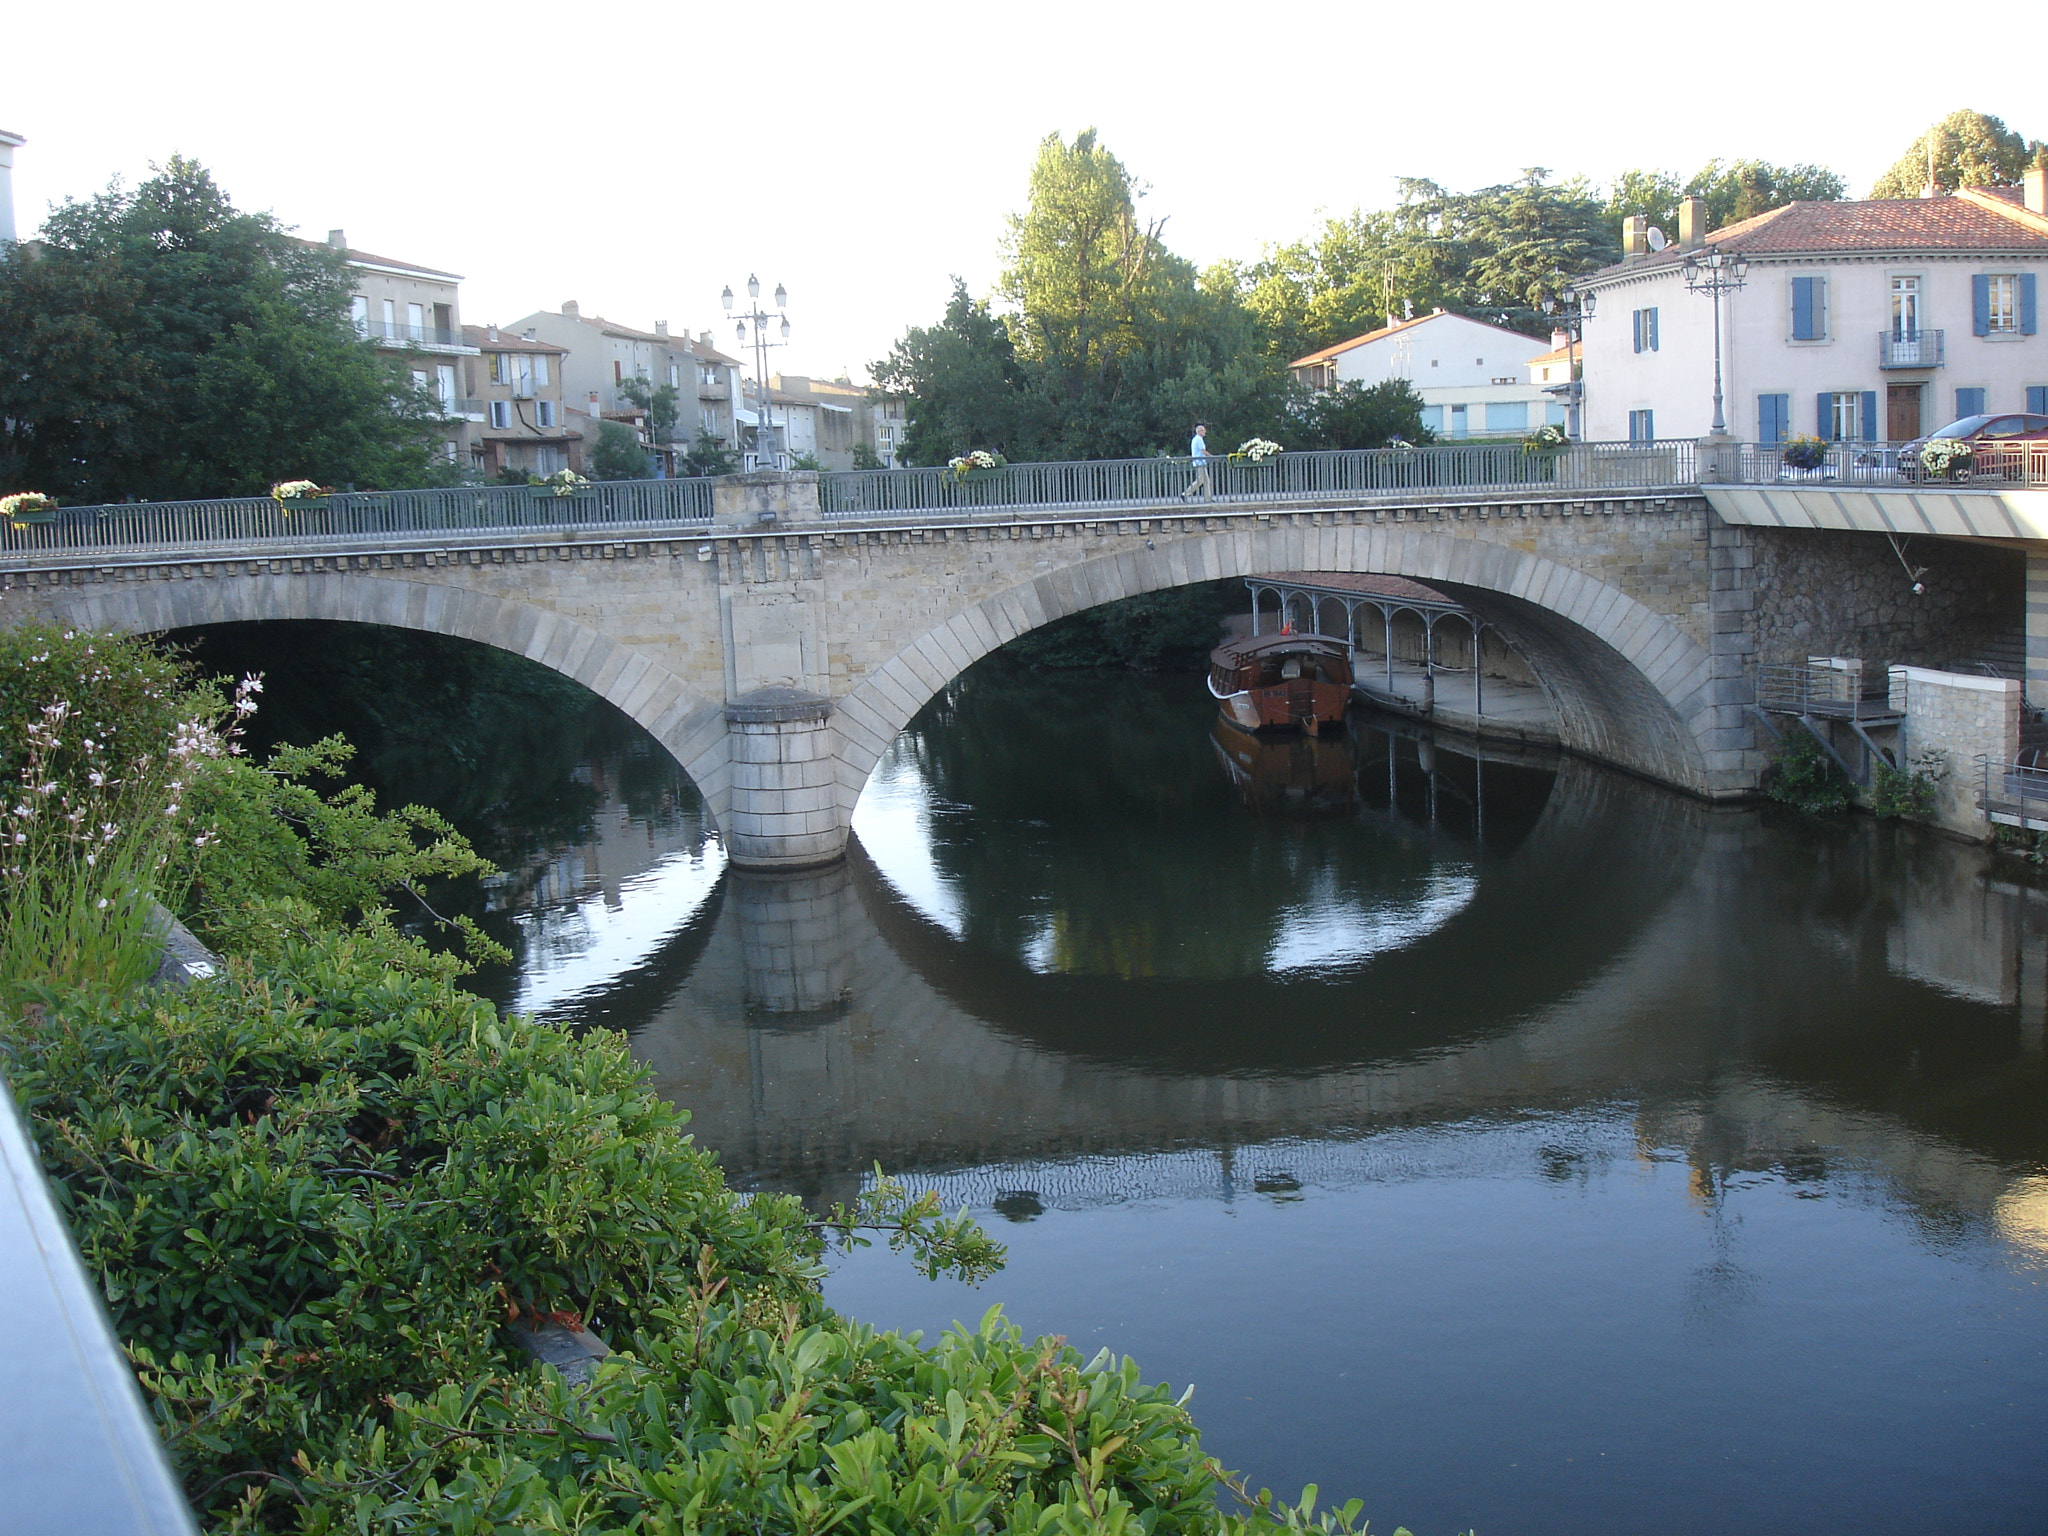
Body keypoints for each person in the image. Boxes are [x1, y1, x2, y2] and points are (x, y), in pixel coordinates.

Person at [1180, 422, 1213, 502]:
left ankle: (1208, 498)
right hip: (1200, 463)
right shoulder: (1199, 439)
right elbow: (1203, 451)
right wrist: (1211, 456)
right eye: (1203, 430)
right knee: (1200, 480)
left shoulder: (1195, 439)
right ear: (1199, 431)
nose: (1205, 432)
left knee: (1206, 481)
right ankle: (1185, 494)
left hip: (1199, 462)